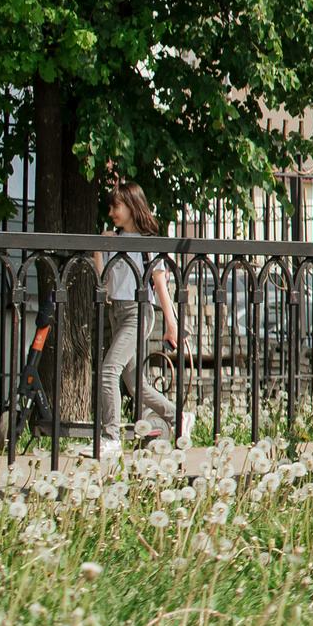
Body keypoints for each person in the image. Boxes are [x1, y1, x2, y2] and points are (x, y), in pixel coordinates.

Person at [95, 183, 186, 448]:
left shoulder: (148, 243)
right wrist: (100, 247)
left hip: (138, 313)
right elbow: (104, 283)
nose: (111, 211)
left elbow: (160, 285)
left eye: (116, 206)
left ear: (132, 206)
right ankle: (178, 417)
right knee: (135, 384)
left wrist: (171, 324)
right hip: (117, 312)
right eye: (110, 206)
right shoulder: (115, 240)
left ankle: (110, 437)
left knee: (109, 370)